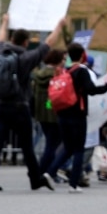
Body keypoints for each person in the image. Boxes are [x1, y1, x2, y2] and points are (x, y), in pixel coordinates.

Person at [0, 14, 66, 192]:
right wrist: (59, 25)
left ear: (12, 39)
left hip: (0, 105)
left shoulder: (0, 51)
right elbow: (48, 44)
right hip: (19, 106)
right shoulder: (26, 58)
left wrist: (5, 22)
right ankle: (34, 179)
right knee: (27, 146)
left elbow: (0, 37)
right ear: (26, 42)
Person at [51, 43, 107, 193]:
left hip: (62, 114)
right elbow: (92, 90)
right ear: (81, 55)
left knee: (67, 148)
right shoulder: (82, 71)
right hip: (77, 115)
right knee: (79, 149)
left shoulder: (64, 72)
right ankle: (73, 184)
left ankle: (49, 172)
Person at [32, 49, 65, 183]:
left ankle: (44, 171)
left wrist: (46, 107)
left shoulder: (38, 75)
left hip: (41, 114)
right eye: (63, 59)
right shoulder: (56, 75)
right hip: (54, 114)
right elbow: (56, 96)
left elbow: (39, 97)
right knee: (52, 145)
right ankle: (44, 172)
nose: (64, 62)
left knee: (50, 144)